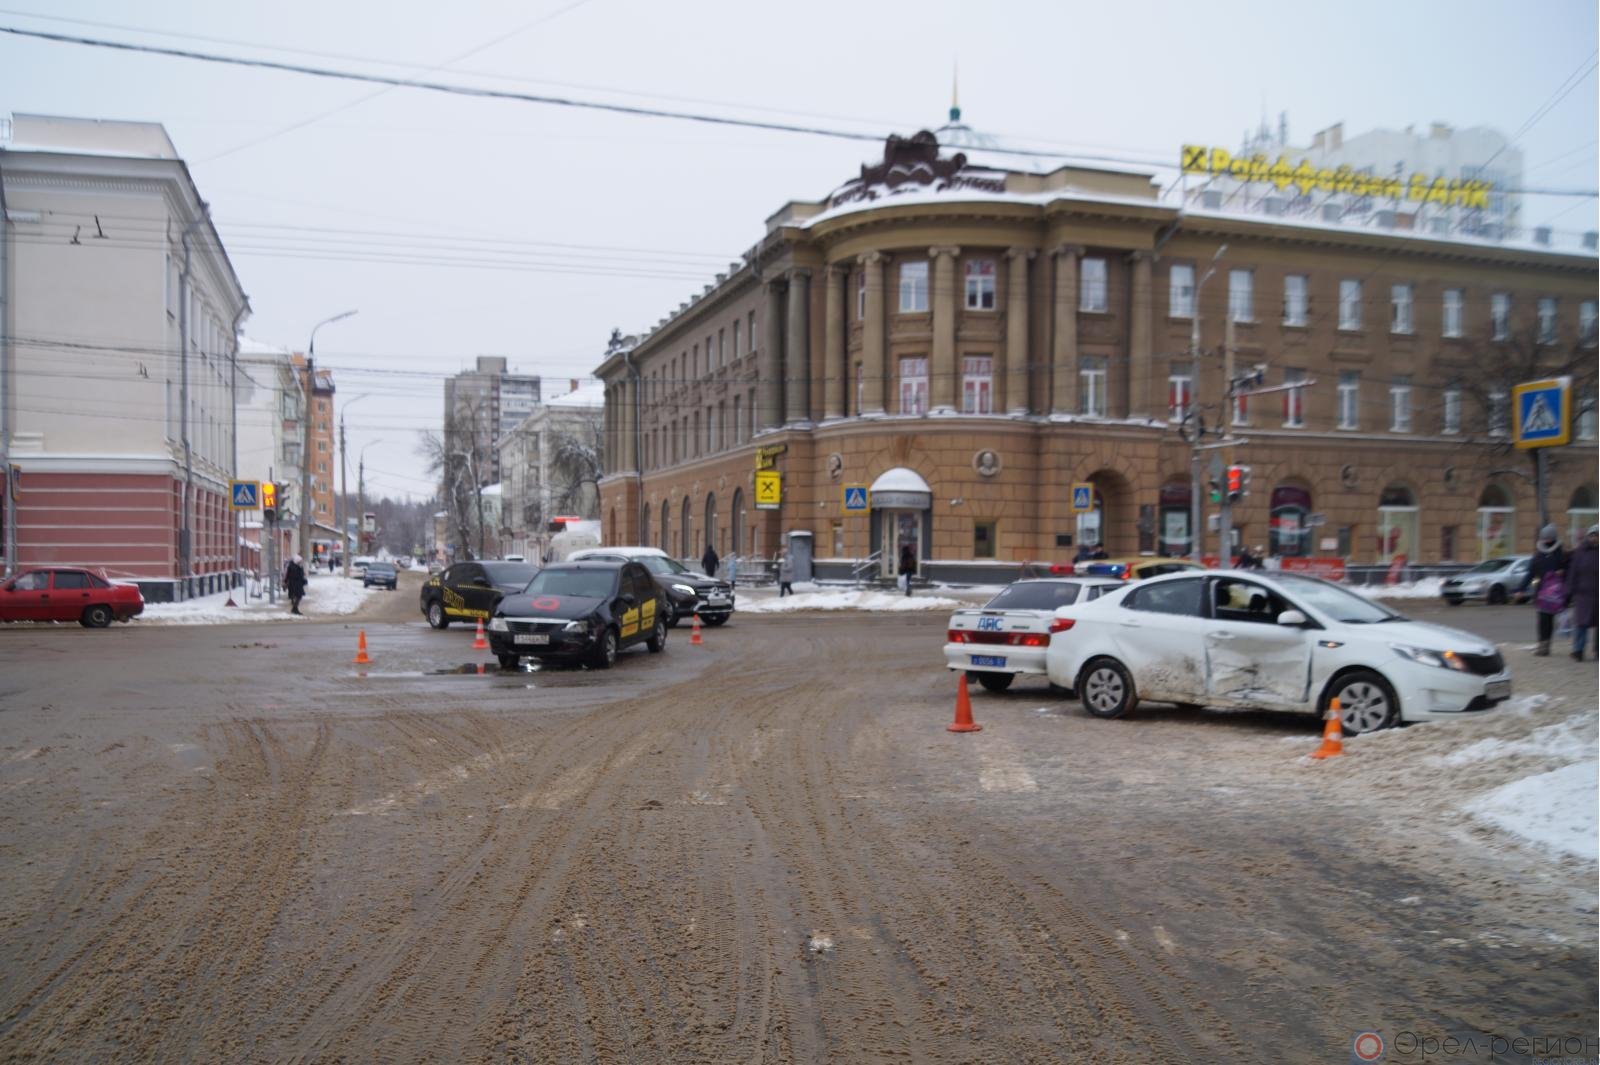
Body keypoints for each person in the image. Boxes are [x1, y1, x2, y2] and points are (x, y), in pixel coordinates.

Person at [1522, 523, 1567, 656]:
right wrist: (1521, 588)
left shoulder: (1561, 554)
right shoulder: (1538, 555)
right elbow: (1530, 573)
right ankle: (1542, 645)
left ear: (1553, 538)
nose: (1545, 540)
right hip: (1541, 593)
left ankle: (1546, 645)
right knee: (1542, 620)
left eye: (1548, 538)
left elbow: (1569, 571)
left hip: (1555, 593)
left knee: (1549, 620)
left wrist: (1562, 573)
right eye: (1544, 538)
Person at [1564, 524, 1598, 662]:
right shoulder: (1580, 552)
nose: (1595, 539)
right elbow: (1573, 573)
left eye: (1597, 536)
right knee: (1581, 624)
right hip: (1583, 594)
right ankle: (1578, 651)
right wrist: (1569, 592)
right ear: (1588, 537)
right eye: (1592, 535)